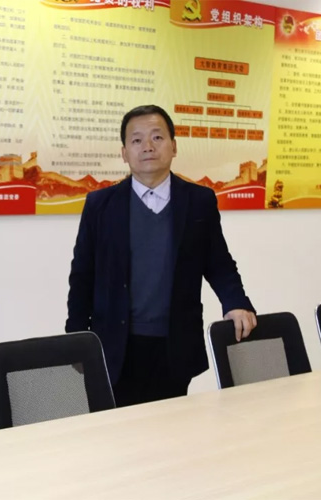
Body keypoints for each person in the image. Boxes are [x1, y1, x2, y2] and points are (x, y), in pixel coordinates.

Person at [66, 104, 256, 407]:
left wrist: (236, 302)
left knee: (173, 426)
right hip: (115, 343)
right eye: (136, 140)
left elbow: (218, 262)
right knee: (118, 427)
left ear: (174, 146)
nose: (148, 146)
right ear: (124, 152)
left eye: (157, 137)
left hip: (174, 343)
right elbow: (82, 275)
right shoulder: (100, 205)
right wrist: (76, 337)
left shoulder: (199, 201)